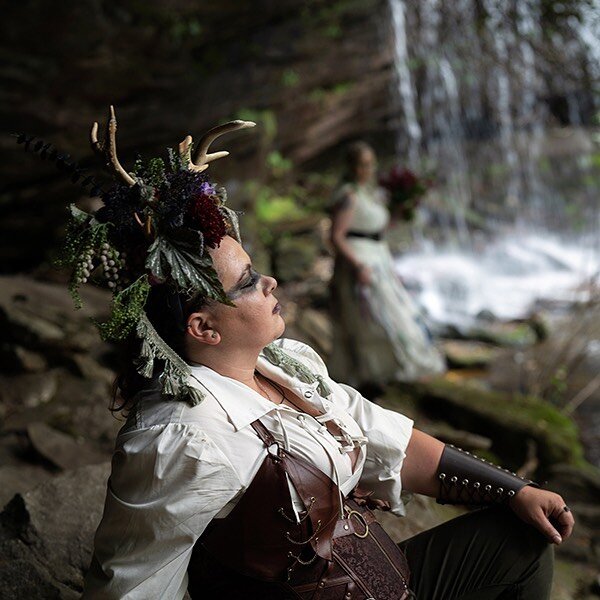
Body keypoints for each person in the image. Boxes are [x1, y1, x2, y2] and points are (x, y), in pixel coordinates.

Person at [28, 109, 572, 599]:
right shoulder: (187, 437)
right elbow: (134, 587)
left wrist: (514, 489)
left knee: (521, 538)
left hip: (390, 582)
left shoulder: (284, 365)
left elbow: (387, 439)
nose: (270, 282)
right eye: (247, 283)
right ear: (204, 327)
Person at [328, 141, 445, 391]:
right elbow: (336, 235)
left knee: (393, 312)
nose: (366, 169)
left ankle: (396, 368)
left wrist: (401, 209)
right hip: (361, 261)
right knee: (378, 317)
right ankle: (378, 372)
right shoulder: (349, 196)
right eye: (361, 165)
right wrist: (358, 265)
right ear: (352, 167)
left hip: (378, 256)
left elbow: (375, 229)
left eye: (370, 164)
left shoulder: (369, 193)